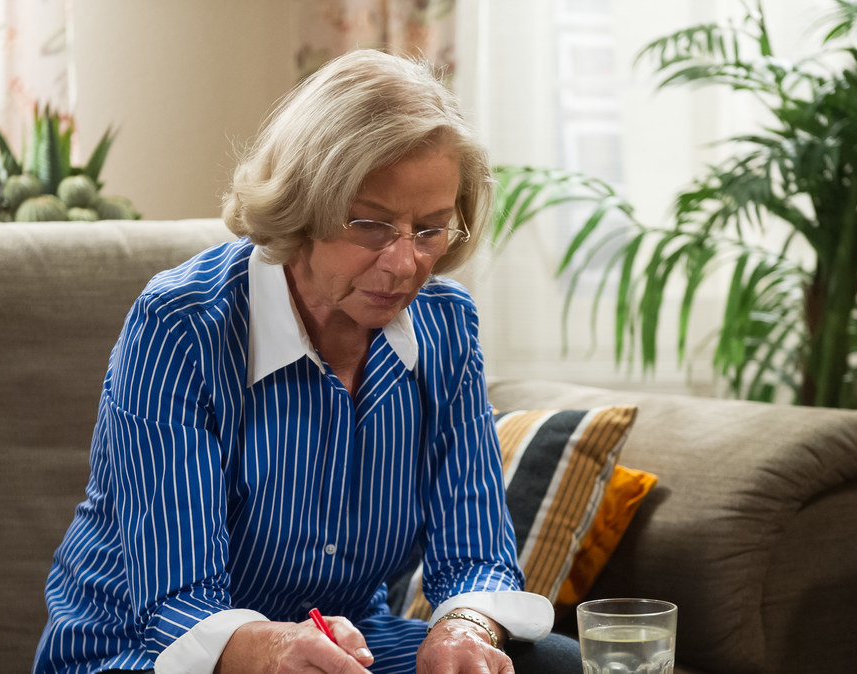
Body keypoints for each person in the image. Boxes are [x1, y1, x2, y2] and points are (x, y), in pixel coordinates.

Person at [33, 49, 582, 674]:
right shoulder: (181, 325)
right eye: (371, 225)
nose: (406, 264)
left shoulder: (446, 325)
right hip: (151, 651)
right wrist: (272, 649)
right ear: (303, 204)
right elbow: (177, 599)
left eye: (430, 230)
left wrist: (466, 626)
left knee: (550, 662)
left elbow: (477, 551)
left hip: (345, 647)